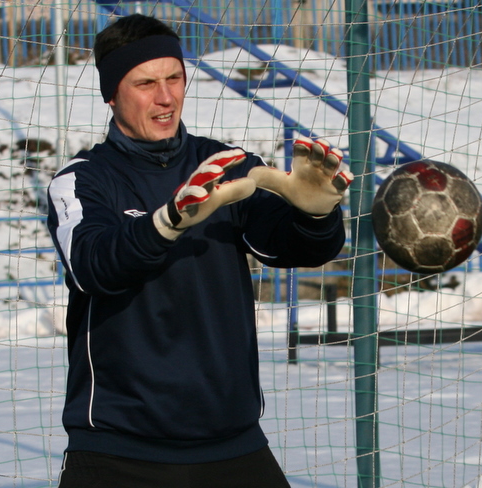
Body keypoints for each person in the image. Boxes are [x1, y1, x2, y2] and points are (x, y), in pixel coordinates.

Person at [47, 13, 353, 488]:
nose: (166, 97)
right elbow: (95, 265)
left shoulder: (227, 166)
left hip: (233, 446)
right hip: (117, 451)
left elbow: (291, 246)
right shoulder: (83, 180)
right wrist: (165, 223)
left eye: (174, 78)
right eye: (145, 83)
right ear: (111, 94)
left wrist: (316, 216)